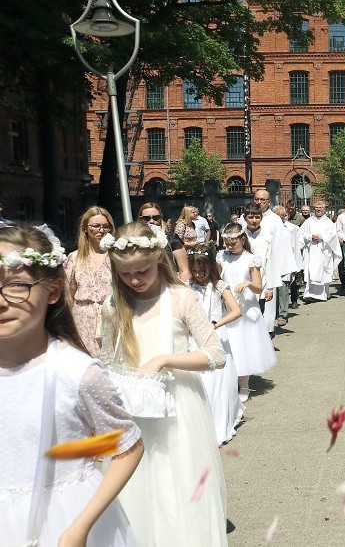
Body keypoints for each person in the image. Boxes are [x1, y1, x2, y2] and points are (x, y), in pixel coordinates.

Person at [0, 225, 143, 547]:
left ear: (52, 291)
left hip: (63, 519)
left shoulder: (76, 373)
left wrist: (79, 528)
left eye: (17, 286)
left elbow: (127, 446)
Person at [100, 221, 227, 546]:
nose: (135, 280)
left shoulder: (180, 298)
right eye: (126, 274)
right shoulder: (115, 305)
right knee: (137, 488)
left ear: (159, 258)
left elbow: (215, 354)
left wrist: (165, 360)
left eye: (142, 270)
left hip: (178, 410)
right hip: (134, 409)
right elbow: (106, 362)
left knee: (177, 486)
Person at [188, 251, 243, 445]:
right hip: (195, 338)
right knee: (200, 382)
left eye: (202, 271)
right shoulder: (188, 287)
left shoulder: (220, 286)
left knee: (218, 383)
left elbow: (236, 311)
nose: (198, 275)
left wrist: (217, 323)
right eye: (194, 271)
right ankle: (202, 424)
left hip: (216, 335)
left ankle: (220, 423)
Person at [218, 222, 276, 402]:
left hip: (245, 307)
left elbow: (259, 287)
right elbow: (218, 277)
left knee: (243, 345)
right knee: (229, 345)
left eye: (232, 243)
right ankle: (229, 381)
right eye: (227, 243)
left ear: (242, 239)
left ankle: (244, 384)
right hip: (227, 306)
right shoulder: (222, 257)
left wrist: (248, 283)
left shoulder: (250, 259)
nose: (229, 246)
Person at [241, 190, 298, 328]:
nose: (259, 202)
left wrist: (284, 269)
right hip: (245, 268)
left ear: (269, 202)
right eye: (256, 199)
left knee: (266, 304)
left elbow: (282, 245)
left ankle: (267, 329)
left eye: (262, 200)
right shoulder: (243, 219)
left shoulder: (275, 220)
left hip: (267, 267)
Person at [64, 206, 116, 356]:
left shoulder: (115, 256)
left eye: (106, 226)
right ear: (85, 228)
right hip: (82, 320)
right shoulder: (75, 258)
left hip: (111, 316)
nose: (101, 230)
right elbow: (69, 295)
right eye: (96, 226)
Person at [298, 200, 342, 302]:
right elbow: (301, 234)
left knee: (322, 272)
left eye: (320, 208)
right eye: (317, 208)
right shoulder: (308, 222)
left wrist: (322, 237)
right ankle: (309, 294)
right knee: (310, 271)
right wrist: (310, 237)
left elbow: (333, 236)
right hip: (312, 250)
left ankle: (322, 294)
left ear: (324, 209)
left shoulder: (329, 223)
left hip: (323, 251)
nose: (318, 210)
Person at [137, 202, 191, 281]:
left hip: (169, 282)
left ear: (161, 217)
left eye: (156, 218)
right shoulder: (134, 239)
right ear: (140, 219)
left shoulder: (172, 238)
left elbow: (184, 270)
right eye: (146, 218)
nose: (151, 221)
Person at [242, 202, 275, 329]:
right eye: (250, 217)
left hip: (261, 283)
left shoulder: (267, 237)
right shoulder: (240, 236)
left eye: (257, 217)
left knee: (257, 316)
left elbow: (270, 262)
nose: (254, 221)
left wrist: (270, 288)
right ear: (245, 218)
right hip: (243, 282)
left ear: (261, 217)